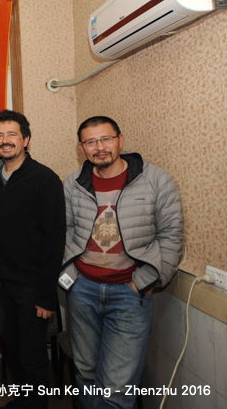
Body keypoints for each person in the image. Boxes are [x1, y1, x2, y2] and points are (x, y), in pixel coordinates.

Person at [59, 116, 183, 409]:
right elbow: (64, 230)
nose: (99, 147)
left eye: (106, 139)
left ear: (120, 140)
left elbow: (171, 235)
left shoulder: (156, 181)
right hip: (83, 291)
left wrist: (146, 281)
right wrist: (71, 274)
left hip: (129, 294)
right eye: (91, 142)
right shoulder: (73, 184)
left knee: (117, 387)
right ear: (81, 148)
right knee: (85, 372)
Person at [0, 110, 65, 409]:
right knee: (12, 348)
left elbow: (54, 240)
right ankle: (21, 402)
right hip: (0, 283)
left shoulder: (45, 179)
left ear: (26, 139)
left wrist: (47, 297)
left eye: (12, 134)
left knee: (32, 354)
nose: (5, 141)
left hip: (33, 286)